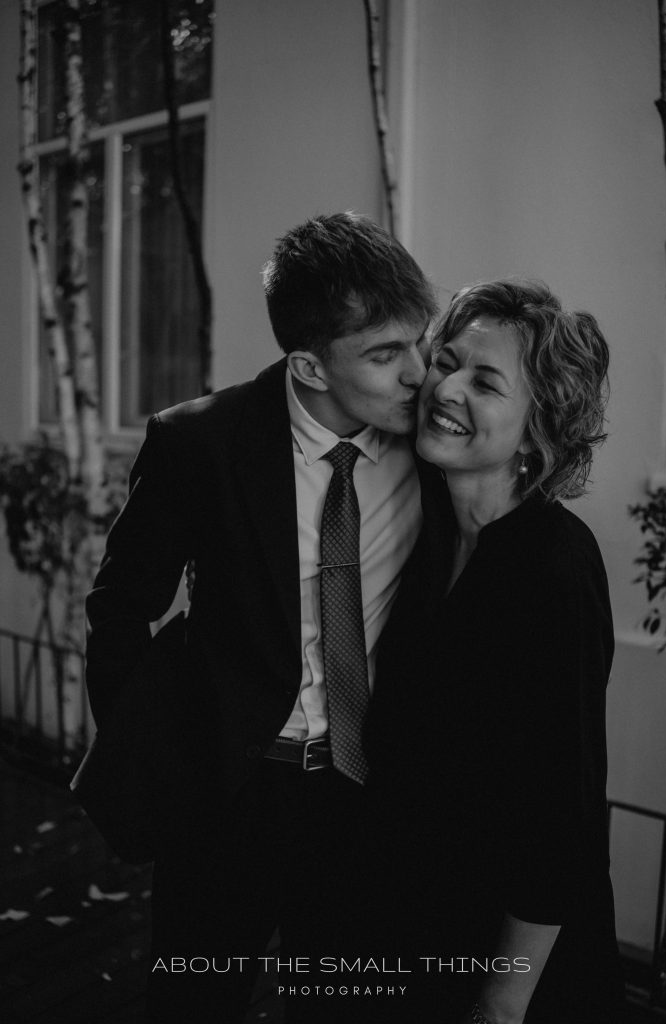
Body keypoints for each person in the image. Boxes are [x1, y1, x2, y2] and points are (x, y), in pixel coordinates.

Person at [83, 211, 441, 1023]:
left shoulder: (432, 446)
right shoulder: (199, 444)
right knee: (192, 1000)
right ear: (309, 364)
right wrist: (154, 758)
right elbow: (120, 606)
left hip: (366, 796)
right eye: (384, 354)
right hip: (229, 794)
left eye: (419, 340)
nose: (418, 373)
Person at [364, 280, 625, 1024]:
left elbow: (562, 816)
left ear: (538, 433)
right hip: (415, 925)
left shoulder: (555, 570)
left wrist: (502, 1000)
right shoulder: (429, 533)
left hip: (511, 960)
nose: (445, 388)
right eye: (445, 362)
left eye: (485, 382)